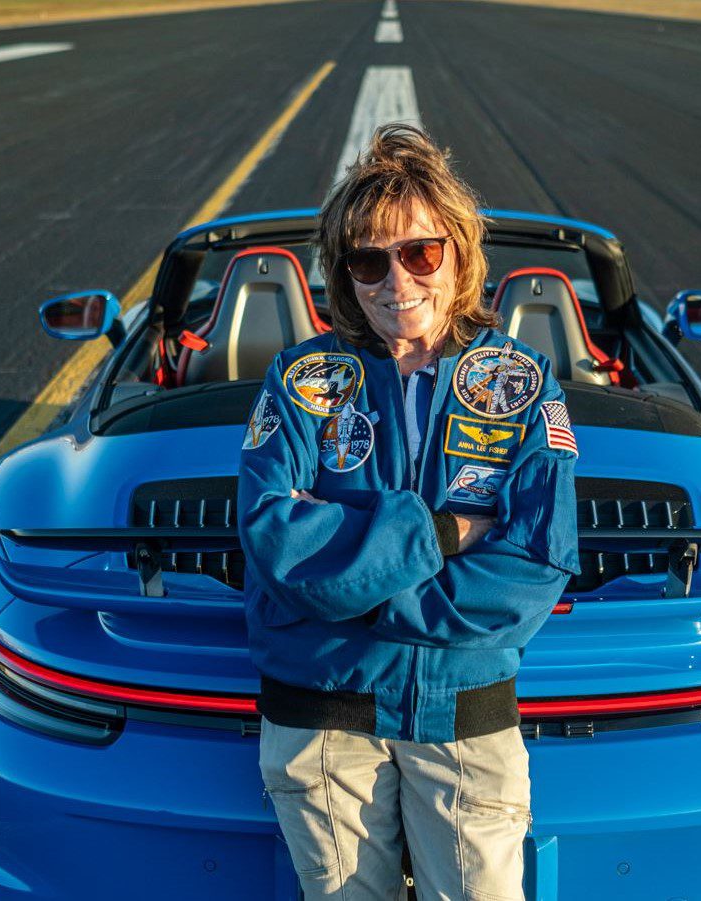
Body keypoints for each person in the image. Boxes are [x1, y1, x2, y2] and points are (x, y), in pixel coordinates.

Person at [236, 123, 580, 901]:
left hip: (461, 714)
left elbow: (533, 563)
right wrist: (440, 533)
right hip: (324, 722)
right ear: (344, 275)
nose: (397, 280)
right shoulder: (299, 380)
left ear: (458, 256)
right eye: (368, 259)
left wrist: (349, 586)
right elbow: (275, 541)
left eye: (420, 252)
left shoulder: (521, 381)